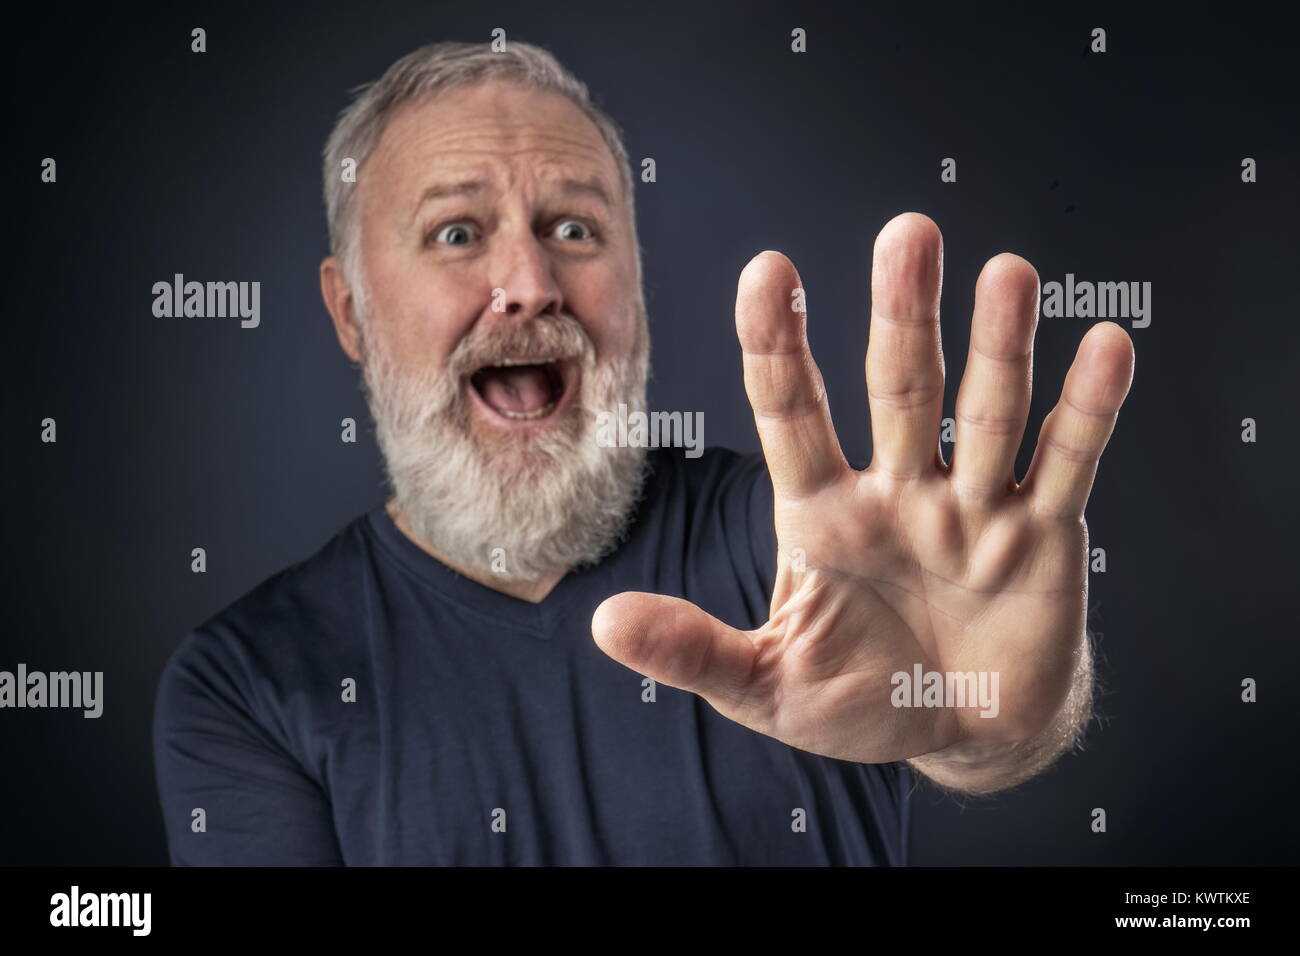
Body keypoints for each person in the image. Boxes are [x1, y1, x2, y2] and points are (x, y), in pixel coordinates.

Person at [153, 40, 1134, 865]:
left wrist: (971, 715)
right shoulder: (247, 683)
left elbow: (971, 699)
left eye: (573, 228)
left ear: (636, 282)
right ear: (349, 309)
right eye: (456, 232)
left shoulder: (797, 544)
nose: (530, 282)